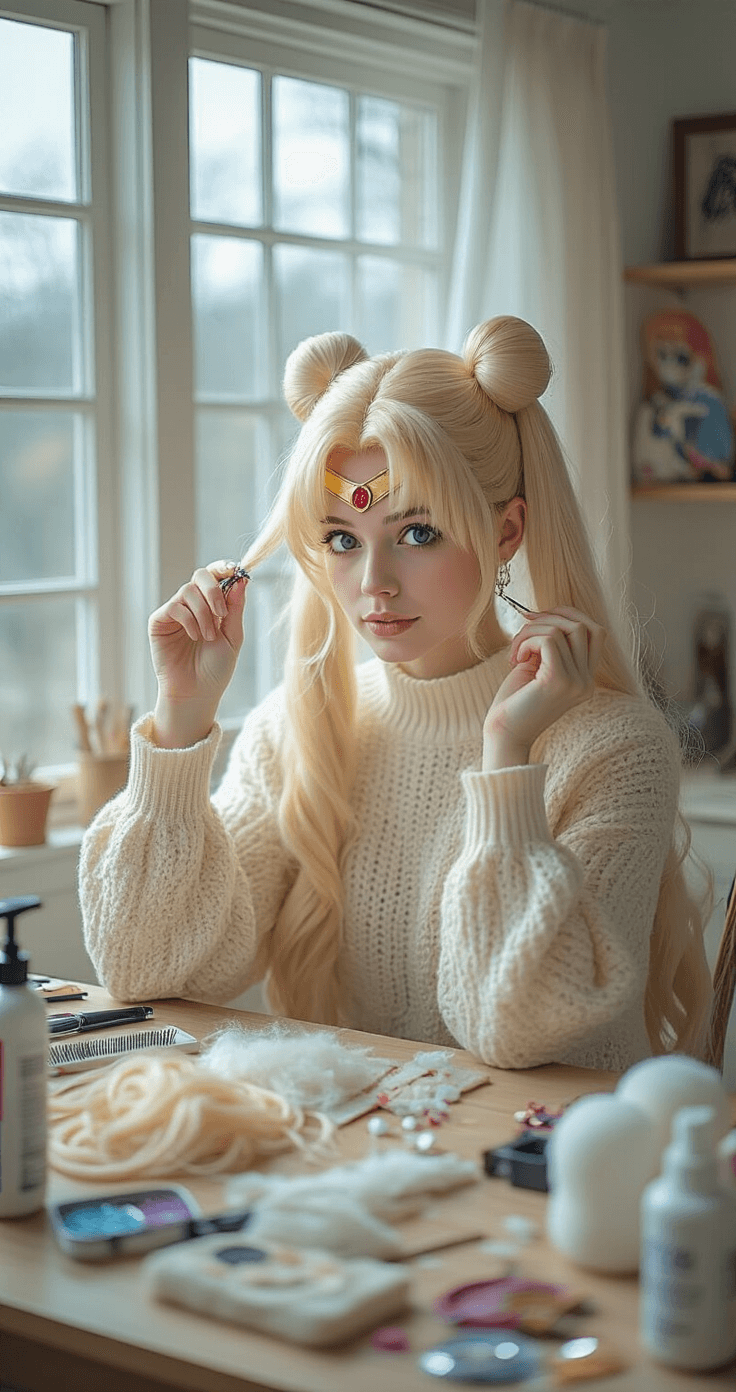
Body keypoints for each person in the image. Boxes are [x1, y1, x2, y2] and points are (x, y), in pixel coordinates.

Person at [80, 316, 713, 1071]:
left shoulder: (614, 747)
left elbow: (515, 1028)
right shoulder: (302, 729)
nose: (373, 583)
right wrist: (181, 719)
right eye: (343, 539)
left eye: (415, 533)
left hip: (550, 1178)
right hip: (364, 1166)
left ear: (506, 531)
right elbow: (145, 968)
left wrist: (507, 759)